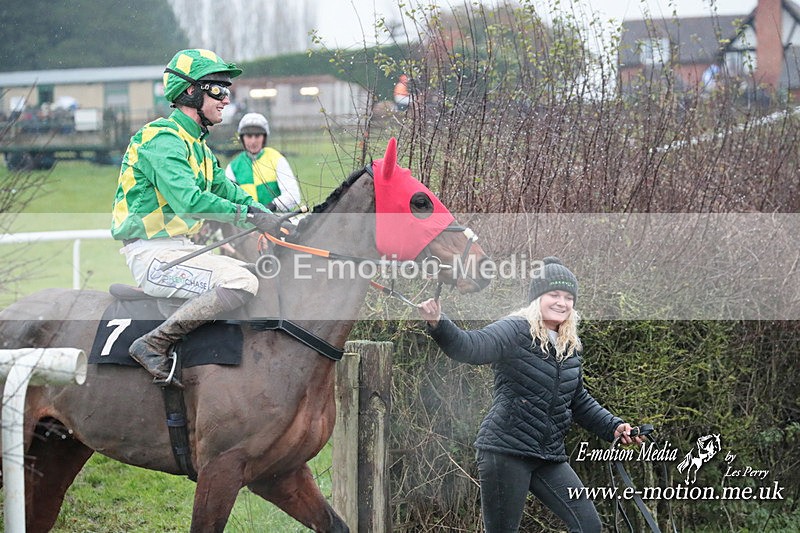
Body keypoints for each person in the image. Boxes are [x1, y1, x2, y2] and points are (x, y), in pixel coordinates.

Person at [417, 257, 643, 533]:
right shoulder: (515, 329)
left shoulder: (568, 345)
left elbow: (577, 400)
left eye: (568, 297)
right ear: (537, 297)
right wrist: (440, 324)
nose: (562, 302)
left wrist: (614, 426)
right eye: (554, 294)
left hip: (548, 456)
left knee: (589, 527)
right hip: (505, 452)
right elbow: (471, 347)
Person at [111, 48, 280, 388]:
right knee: (241, 283)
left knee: (255, 273)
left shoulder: (199, 146)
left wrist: (268, 213)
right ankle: (153, 343)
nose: (225, 99)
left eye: (226, 91)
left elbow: (226, 190)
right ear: (190, 92)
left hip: (180, 250)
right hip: (153, 255)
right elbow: (189, 200)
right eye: (217, 89)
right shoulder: (160, 139)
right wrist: (248, 215)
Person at [225, 112, 301, 211]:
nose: (253, 141)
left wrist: (270, 207)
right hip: (246, 223)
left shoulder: (277, 159)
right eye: (248, 136)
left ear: (264, 137)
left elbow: (293, 196)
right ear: (242, 138)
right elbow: (226, 198)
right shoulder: (233, 166)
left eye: (257, 136)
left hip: (276, 220)